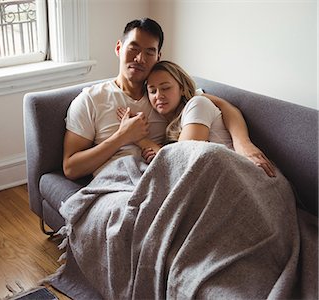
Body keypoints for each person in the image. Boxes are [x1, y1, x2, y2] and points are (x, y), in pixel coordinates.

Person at [63, 17, 274, 181]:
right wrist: (123, 135)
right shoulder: (91, 100)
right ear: (119, 48)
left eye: (149, 52)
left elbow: (222, 105)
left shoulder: (164, 96)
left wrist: (243, 144)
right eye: (133, 48)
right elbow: (71, 168)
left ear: (158, 57)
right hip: (120, 179)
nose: (139, 58)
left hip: (166, 175)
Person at [118, 60, 276, 177]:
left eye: (166, 87)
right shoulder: (175, 125)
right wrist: (159, 154)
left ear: (181, 88)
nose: (159, 95)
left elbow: (183, 163)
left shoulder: (197, 104)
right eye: (152, 91)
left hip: (242, 173)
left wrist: (141, 140)